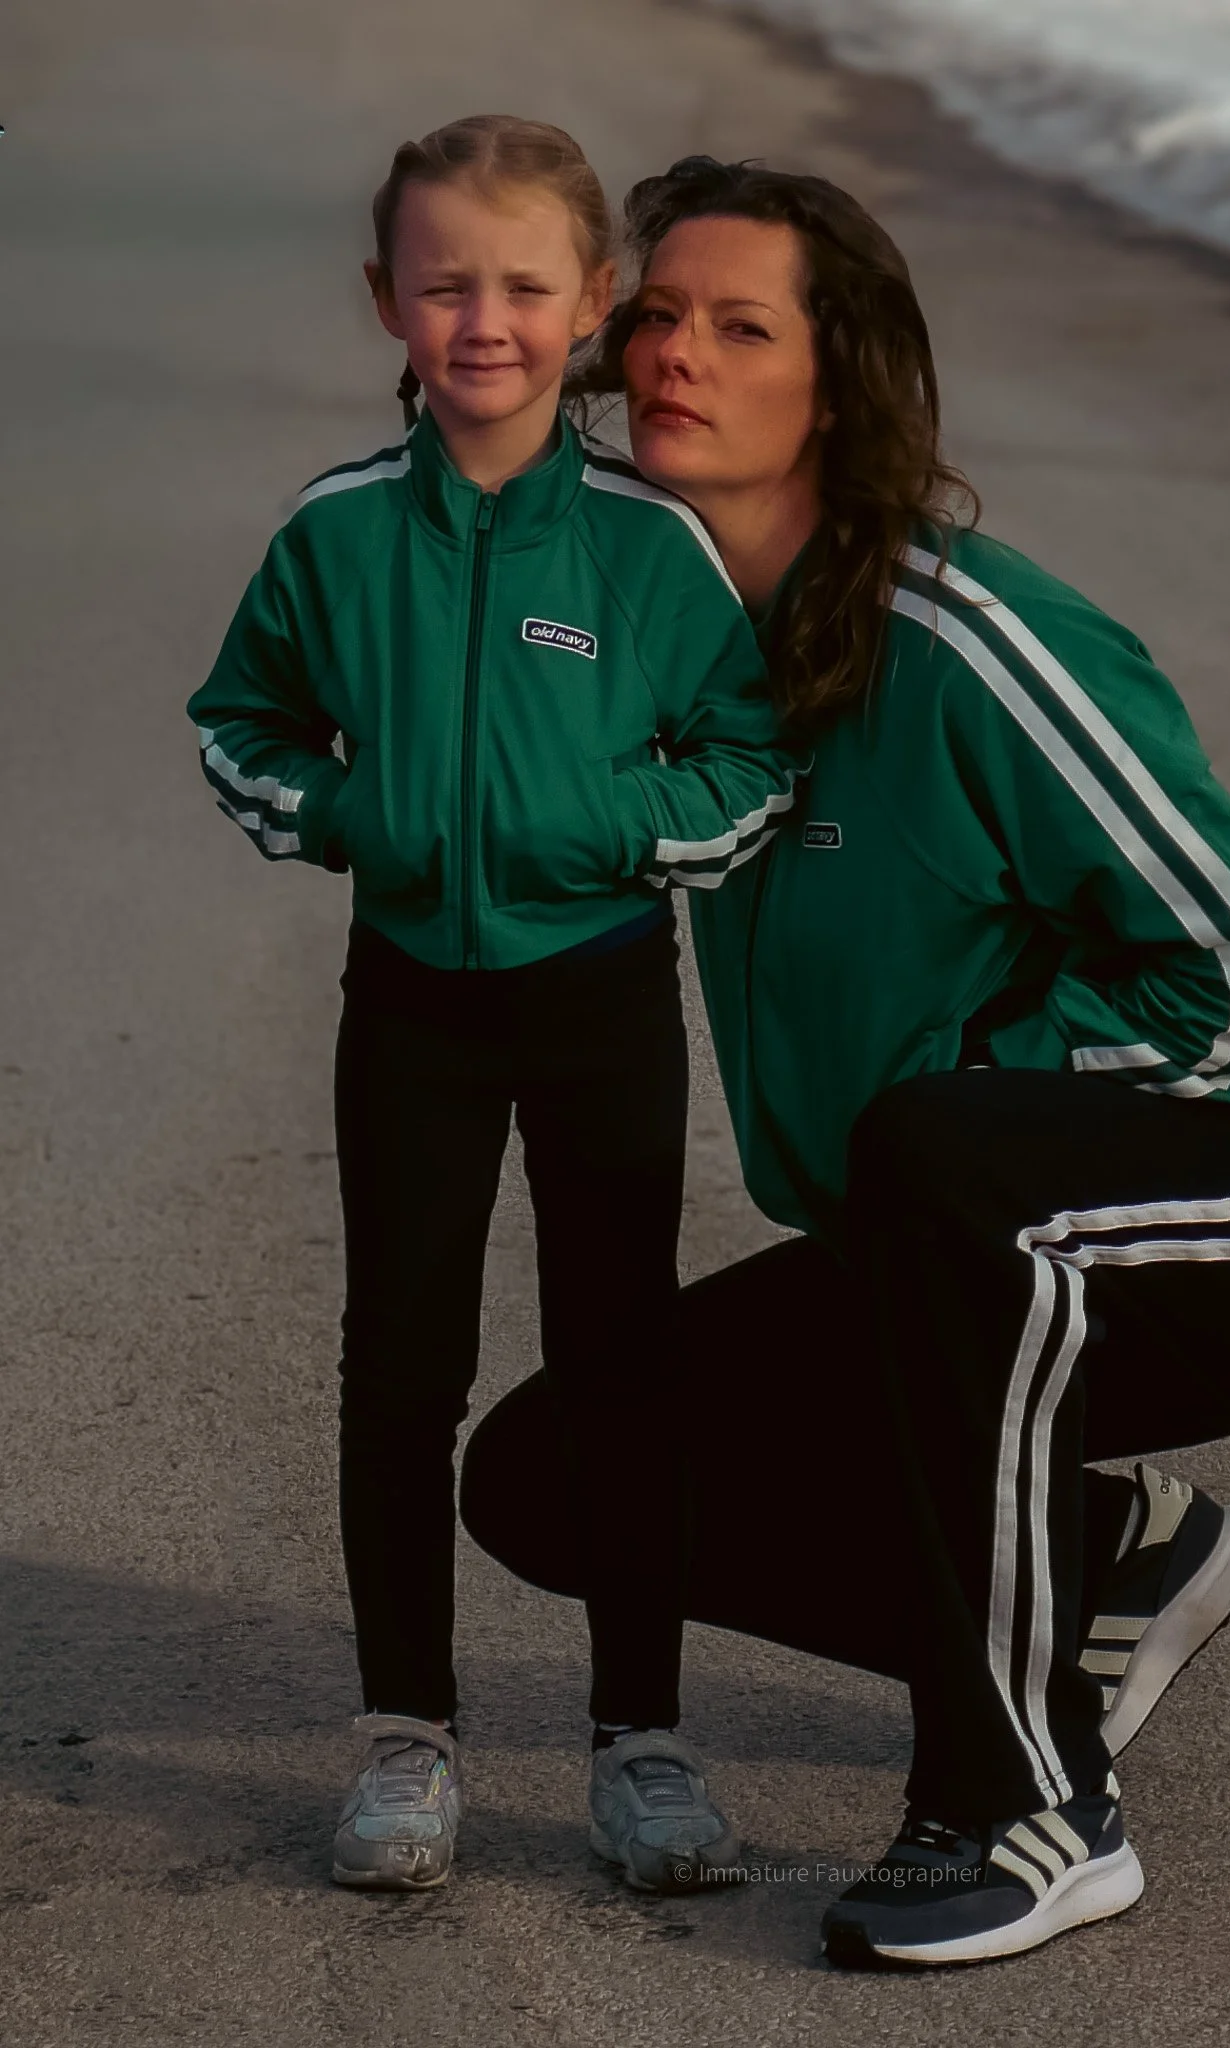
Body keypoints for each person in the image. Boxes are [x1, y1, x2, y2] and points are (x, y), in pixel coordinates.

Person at [460, 158, 1230, 1967]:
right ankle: (1106, 1563)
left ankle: (1025, 1800)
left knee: (941, 1163)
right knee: (553, 1476)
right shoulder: (675, 666)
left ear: (839, 384)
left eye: (740, 325)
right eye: (659, 317)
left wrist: (990, 1095)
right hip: (958, 1228)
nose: (680, 353)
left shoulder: (961, 638)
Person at [185, 121, 804, 1896]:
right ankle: (406, 1737)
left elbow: (747, 750)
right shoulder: (335, 535)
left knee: (625, 1362)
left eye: (525, 286)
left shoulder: (643, 547)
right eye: (445, 283)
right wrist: (344, 813)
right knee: (401, 1369)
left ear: (592, 307)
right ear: (385, 301)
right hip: (413, 1008)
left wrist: (622, 825)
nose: (485, 320)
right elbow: (242, 722)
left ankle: (644, 1742)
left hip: (601, 994)